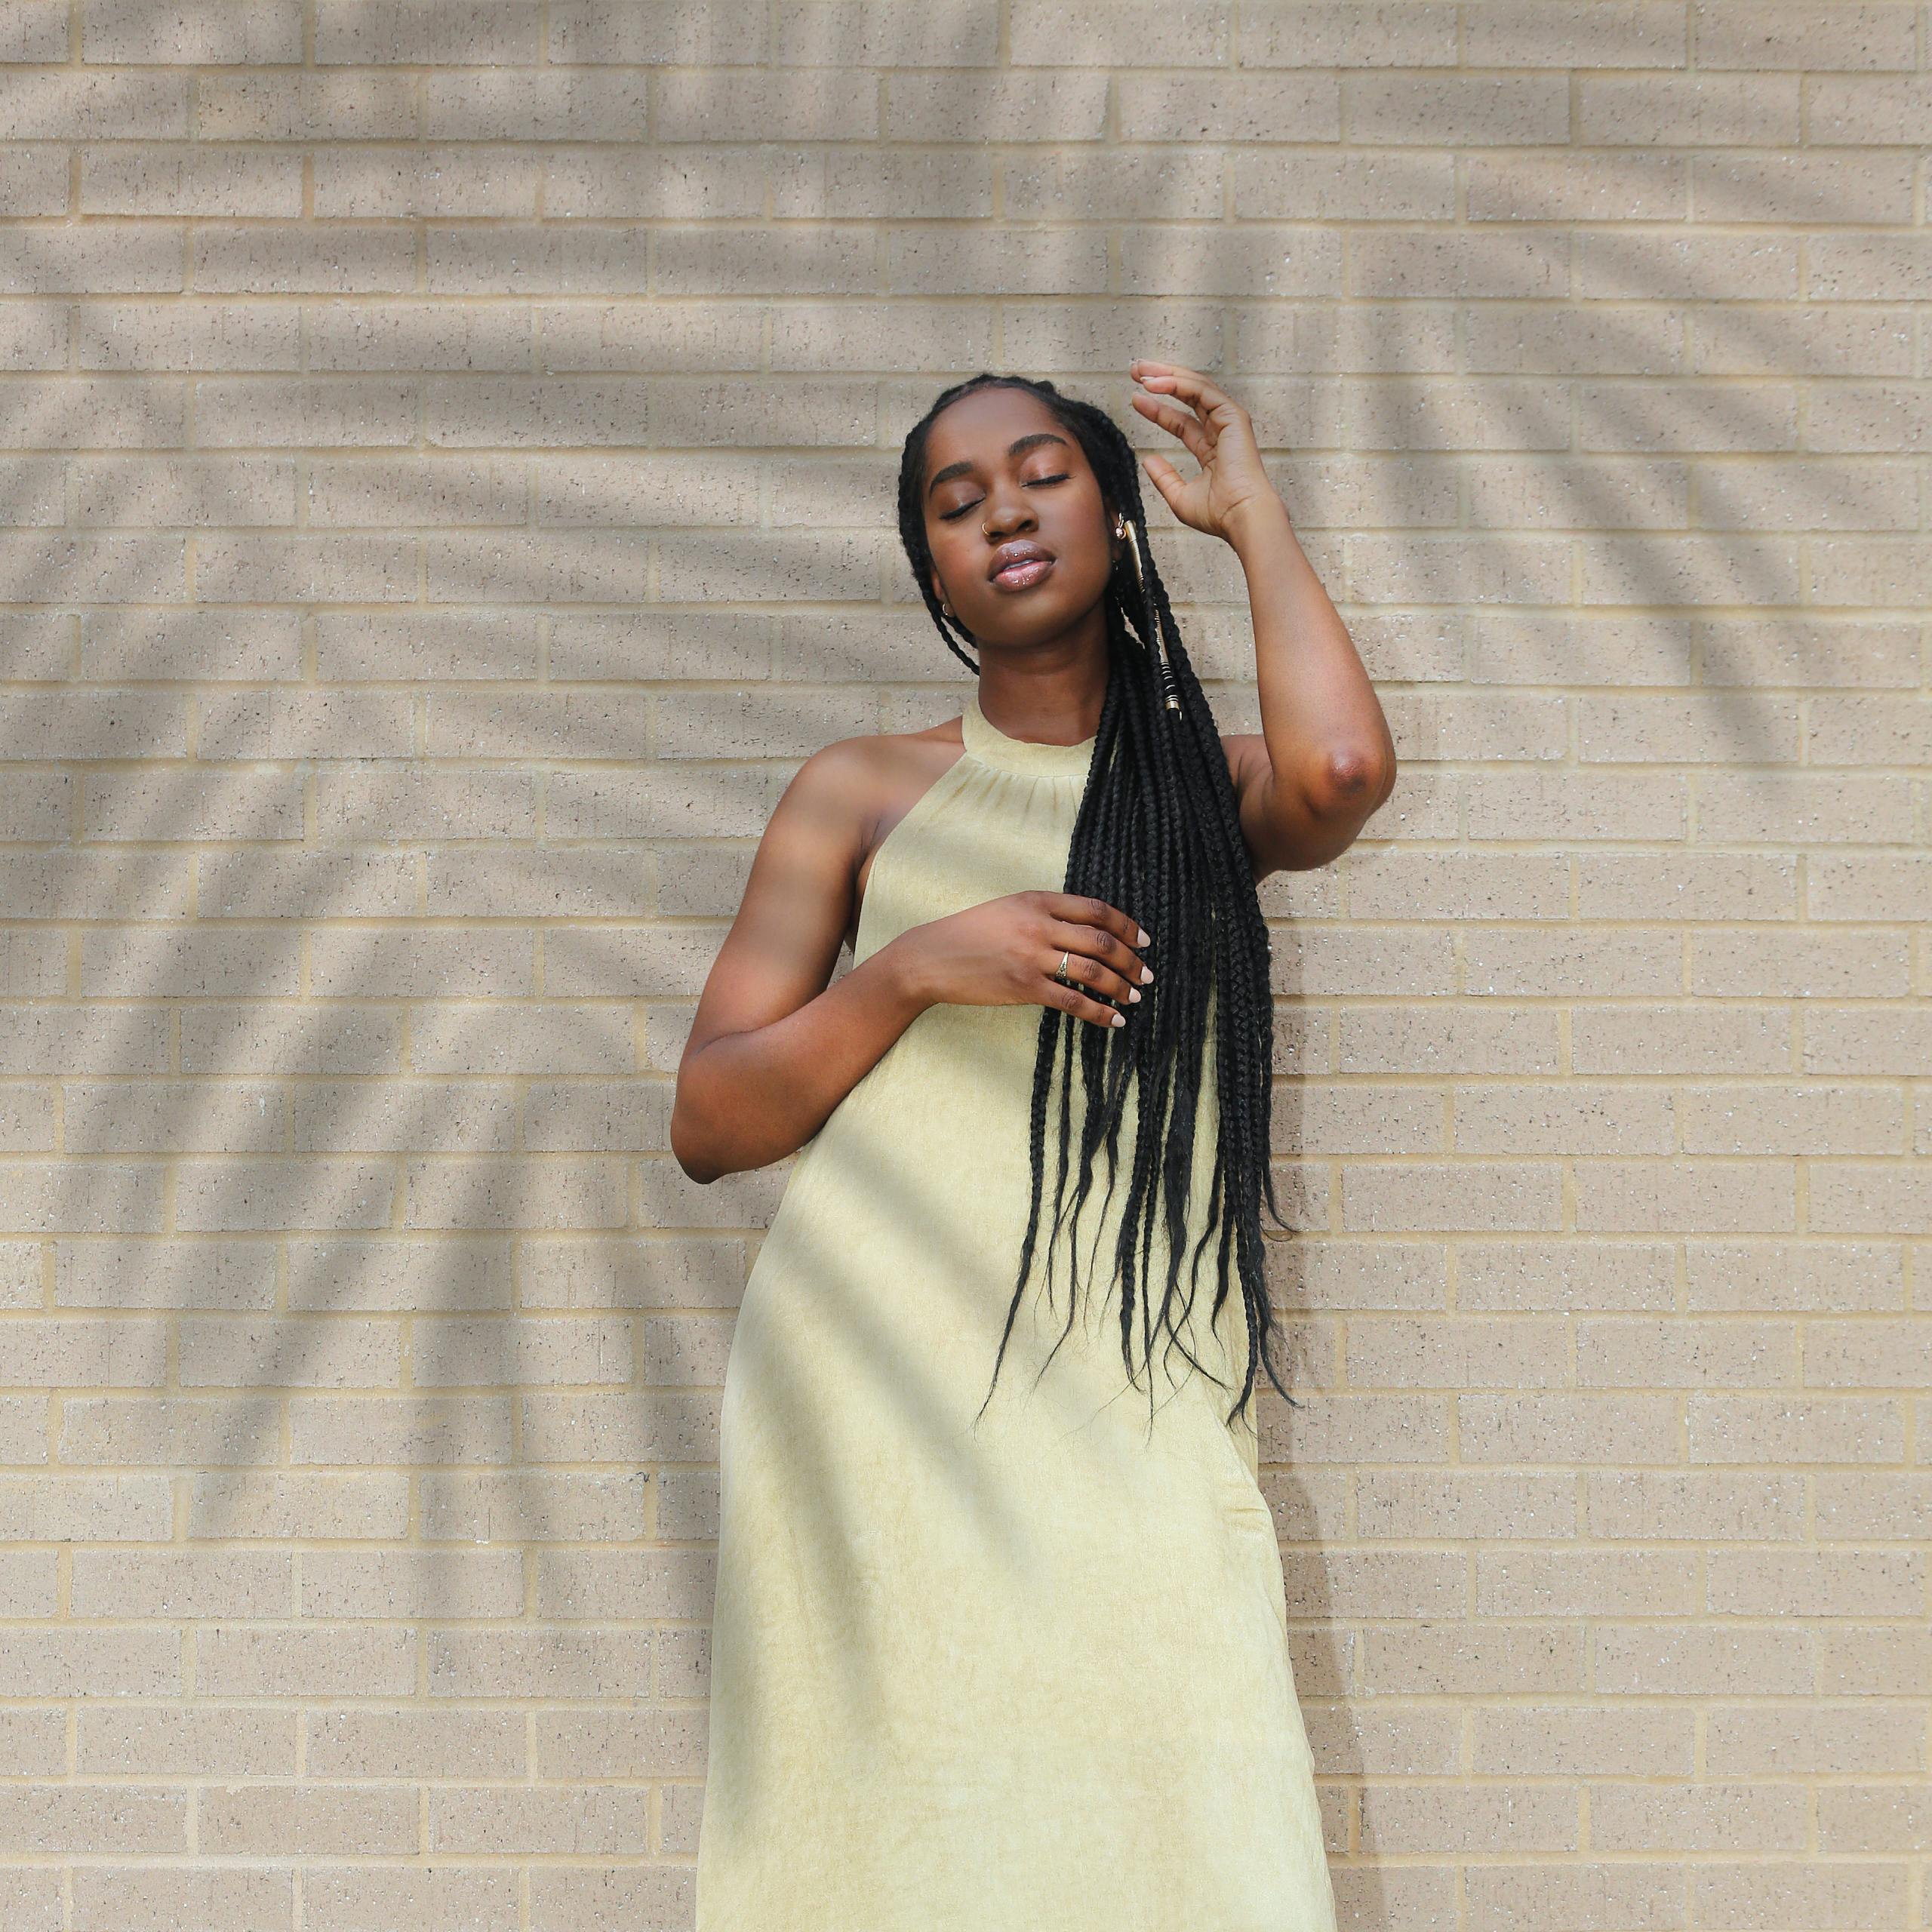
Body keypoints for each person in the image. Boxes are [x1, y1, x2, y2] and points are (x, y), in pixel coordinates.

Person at [672, 361, 1395, 1928]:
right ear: (930, 567)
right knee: (891, 1833)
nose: (1002, 510)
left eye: (1041, 474)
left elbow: (1343, 773)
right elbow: (712, 1120)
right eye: (957, 502)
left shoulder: (1208, 792)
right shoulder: (860, 791)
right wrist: (917, 966)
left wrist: (1253, 517)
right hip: (870, 1386)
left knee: (1192, 1809)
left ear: (1115, 510)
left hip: (1128, 1369)